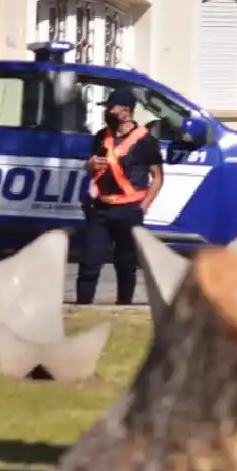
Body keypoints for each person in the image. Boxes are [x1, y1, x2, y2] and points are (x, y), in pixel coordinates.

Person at [76, 87, 164, 306]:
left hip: (129, 211)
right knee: (90, 261)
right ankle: (83, 306)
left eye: (110, 108)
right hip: (100, 208)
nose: (107, 111)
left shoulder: (146, 142)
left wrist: (142, 207)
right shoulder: (101, 137)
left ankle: (123, 306)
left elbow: (157, 177)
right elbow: (92, 168)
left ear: (126, 112)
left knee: (126, 263)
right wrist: (90, 166)